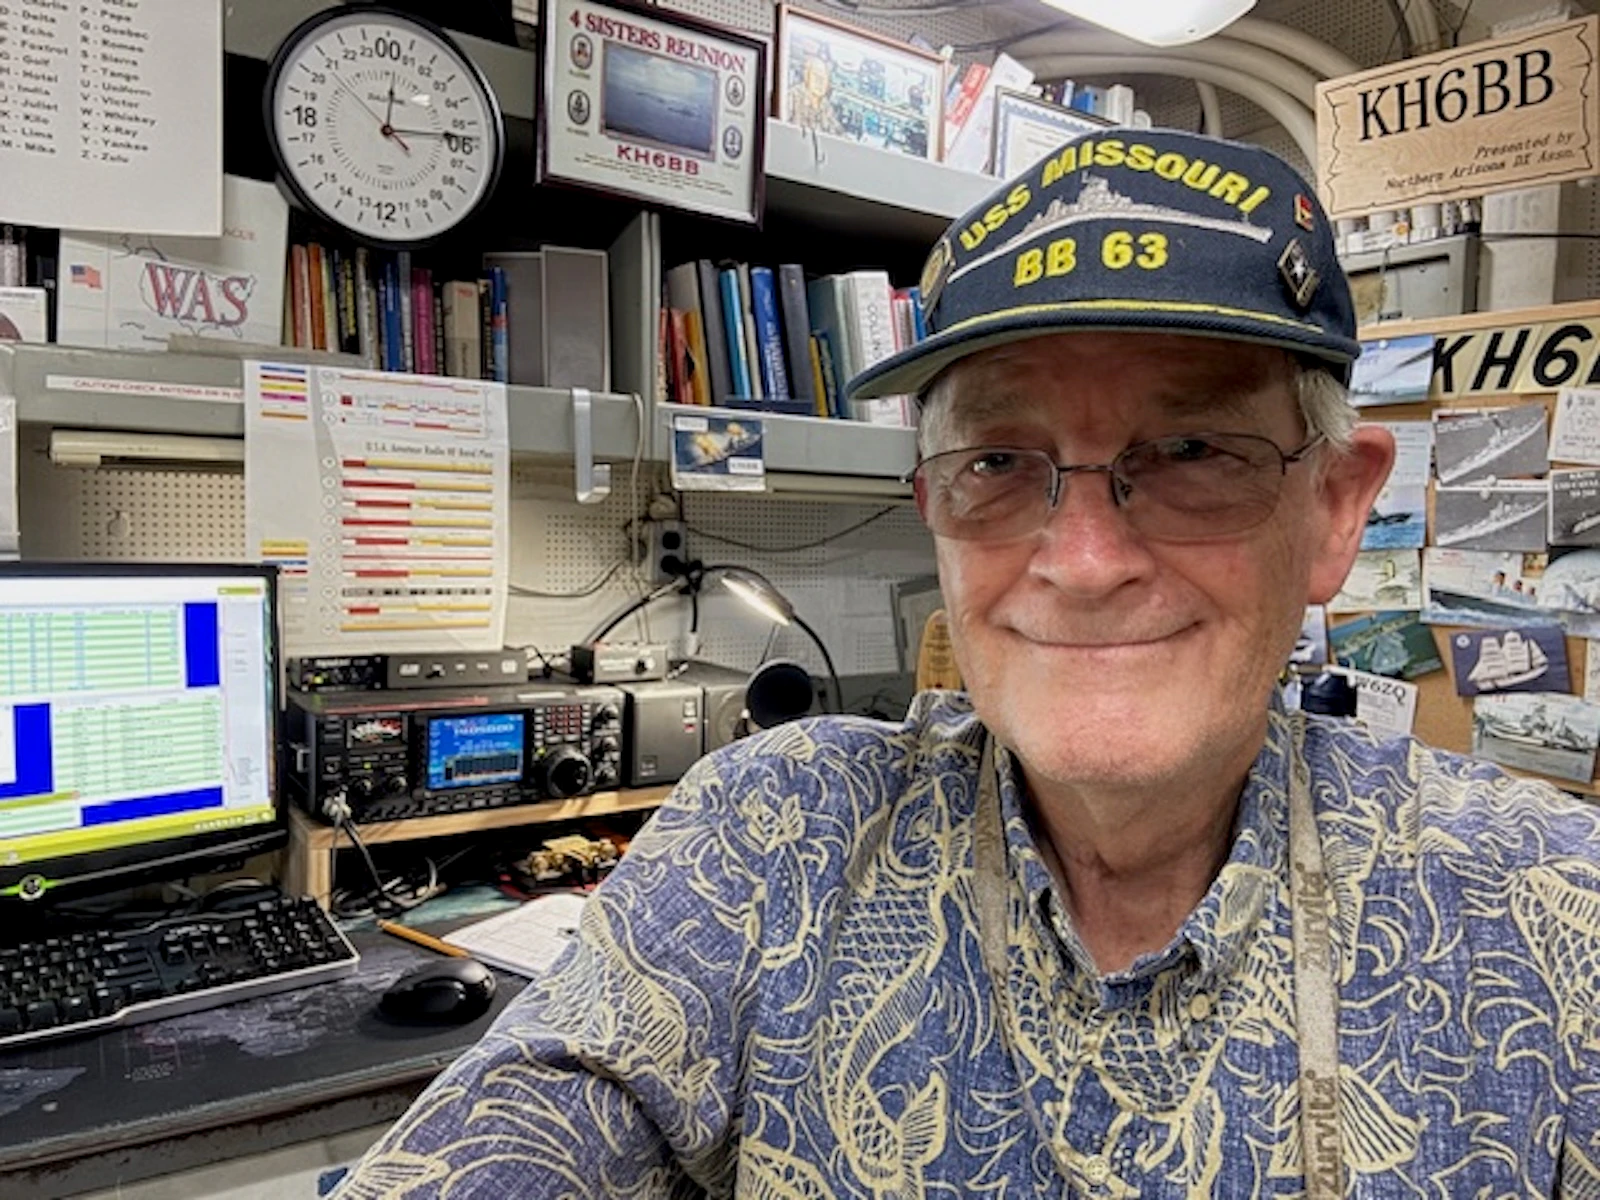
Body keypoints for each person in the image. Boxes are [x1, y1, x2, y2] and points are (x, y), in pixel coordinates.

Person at [334, 130, 1600, 1197]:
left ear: (1332, 510)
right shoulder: (772, 836)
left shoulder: (1546, 910)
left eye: (1195, 452)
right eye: (999, 463)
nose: (1086, 560)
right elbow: (520, 1124)